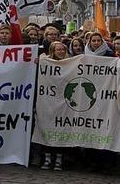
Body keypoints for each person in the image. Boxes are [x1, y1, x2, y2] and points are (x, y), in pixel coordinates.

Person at [41, 41, 68, 171]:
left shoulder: (70, 63)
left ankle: (58, 158)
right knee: (47, 129)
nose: (61, 52)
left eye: (63, 49)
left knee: (60, 130)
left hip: (64, 104)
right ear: (53, 51)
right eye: (58, 50)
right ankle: (47, 158)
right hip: (48, 103)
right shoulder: (45, 62)